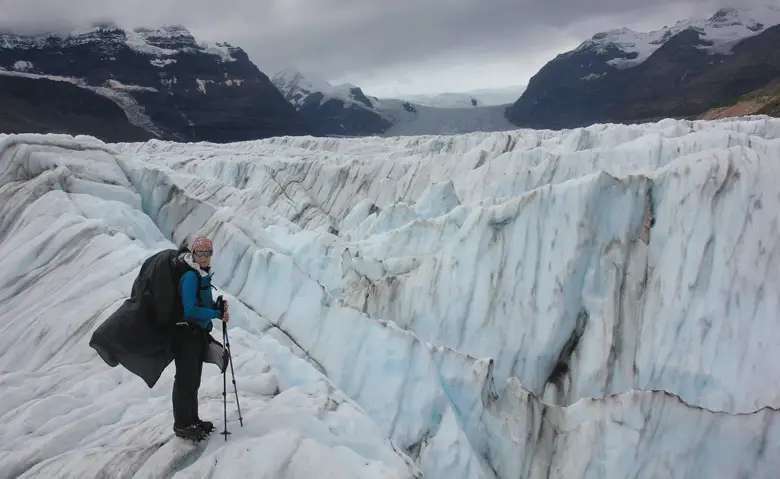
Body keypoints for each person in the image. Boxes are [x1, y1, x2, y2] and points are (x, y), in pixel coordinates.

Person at [171, 235, 230, 439]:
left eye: (208, 253)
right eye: (200, 253)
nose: (204, 257)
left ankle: (192, 420)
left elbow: (202, 305)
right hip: (184, 334)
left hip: (197, 334)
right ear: (194, 254)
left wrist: (217, 306)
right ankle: (182, 424)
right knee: (185, 380)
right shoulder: (190, 277)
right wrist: (214, 313)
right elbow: (189, 309)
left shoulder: (203, 276)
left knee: (193, 380)